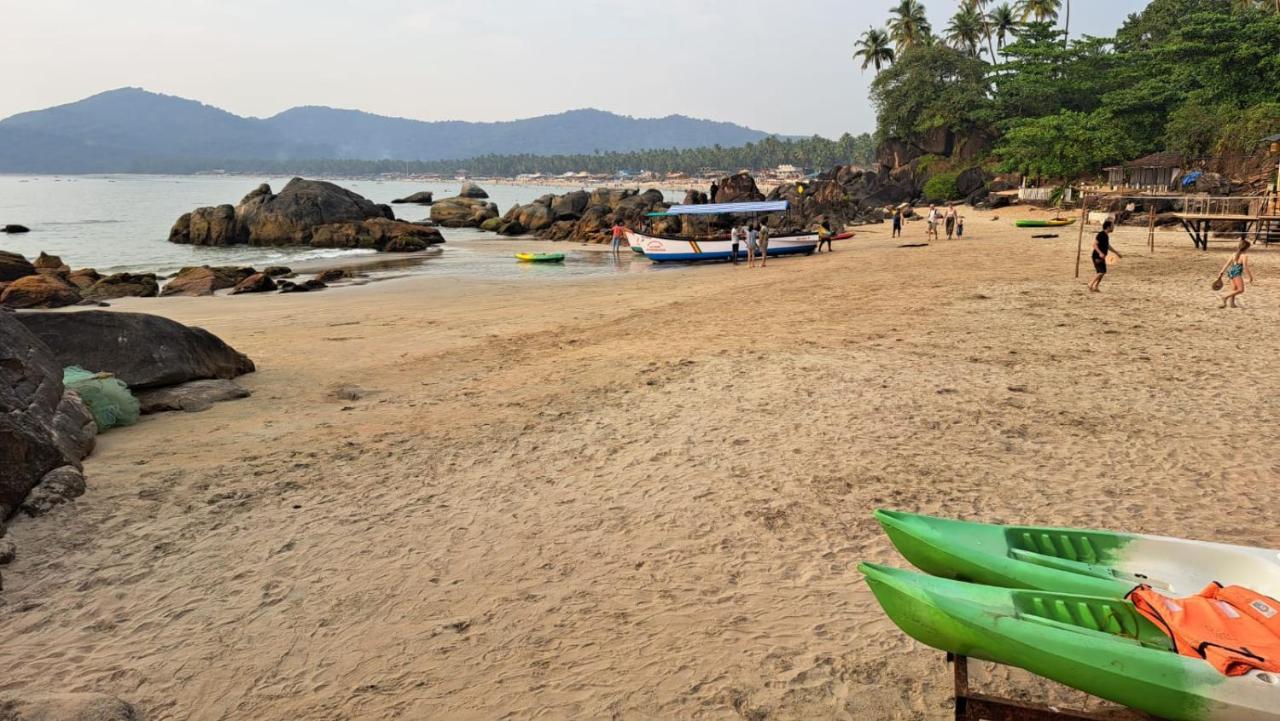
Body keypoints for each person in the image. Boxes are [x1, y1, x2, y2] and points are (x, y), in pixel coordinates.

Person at [1217, 240, 1254, 308]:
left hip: (1231, 271)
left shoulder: (1234, 254)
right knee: (1241, 289)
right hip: (1236, 273)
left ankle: (1232, 304)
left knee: (1234, 288)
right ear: (1246, 248)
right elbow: (1245, 267)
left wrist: (1221, 272)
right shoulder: (1244, 256)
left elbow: (1227, 264)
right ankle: (1225, 296)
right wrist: (1250, 277)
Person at [1088, 220, 1120, 292]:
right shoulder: (1101, 234)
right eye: (1112, 226)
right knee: (1101, 272)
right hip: (1097, 256)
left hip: (1102, 257)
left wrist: (1116, 253)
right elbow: (1094, 244)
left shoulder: (1106, 235)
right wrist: (1100, 253)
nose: (1113, 228)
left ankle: (1096, 287)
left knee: (1102, 272)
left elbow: (1108, 246)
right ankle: (1090, 284)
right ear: (1108, 227)